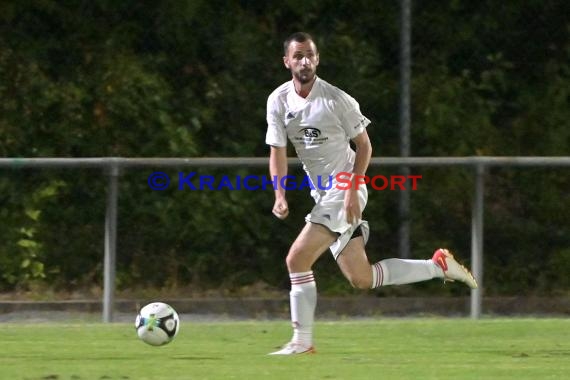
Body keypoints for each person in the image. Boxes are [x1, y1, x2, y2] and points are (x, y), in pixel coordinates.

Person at [265, 32, 477, 355]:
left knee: (297, 258)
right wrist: (280, 195)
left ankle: (302, 341)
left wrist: (351, 188)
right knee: (362, 277)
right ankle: (438, 266)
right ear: (286, 62)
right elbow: (277, 152)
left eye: (309, 55)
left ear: (317, 59)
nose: (304, 61)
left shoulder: (337, 100)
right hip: (323, 196)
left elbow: (364, 145)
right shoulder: (278, 101)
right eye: (298, 56)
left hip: (346, 188)